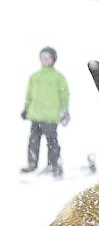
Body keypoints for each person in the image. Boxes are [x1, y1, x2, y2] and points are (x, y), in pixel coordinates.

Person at [20, 46, 70, 178]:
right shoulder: (34, 77)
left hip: (51, 117)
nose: (44, 60)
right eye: (42, 57)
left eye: (47, 58)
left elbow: (64, 96)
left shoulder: (59, 77)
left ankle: (53, 164)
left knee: (52, 141)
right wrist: (26, 108)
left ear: (53, 60)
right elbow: (29, 94)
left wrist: (65, 111)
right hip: (35, 115)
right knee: (33, 141)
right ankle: (32, 164)